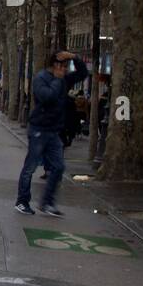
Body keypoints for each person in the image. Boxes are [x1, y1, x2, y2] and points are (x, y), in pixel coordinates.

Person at [15, 50, 88, 217]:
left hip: (53, 130)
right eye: (63, 65)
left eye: (67, 65)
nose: (65, 69)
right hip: (39, 129)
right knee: (30, 167)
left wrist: (75, 57)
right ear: (55, 65)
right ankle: (22, 201)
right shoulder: (42, 78)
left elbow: (83, 73)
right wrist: (56, 79)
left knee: (59, 167)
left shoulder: (64, 79)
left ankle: (47, 202)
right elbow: (47, 97)